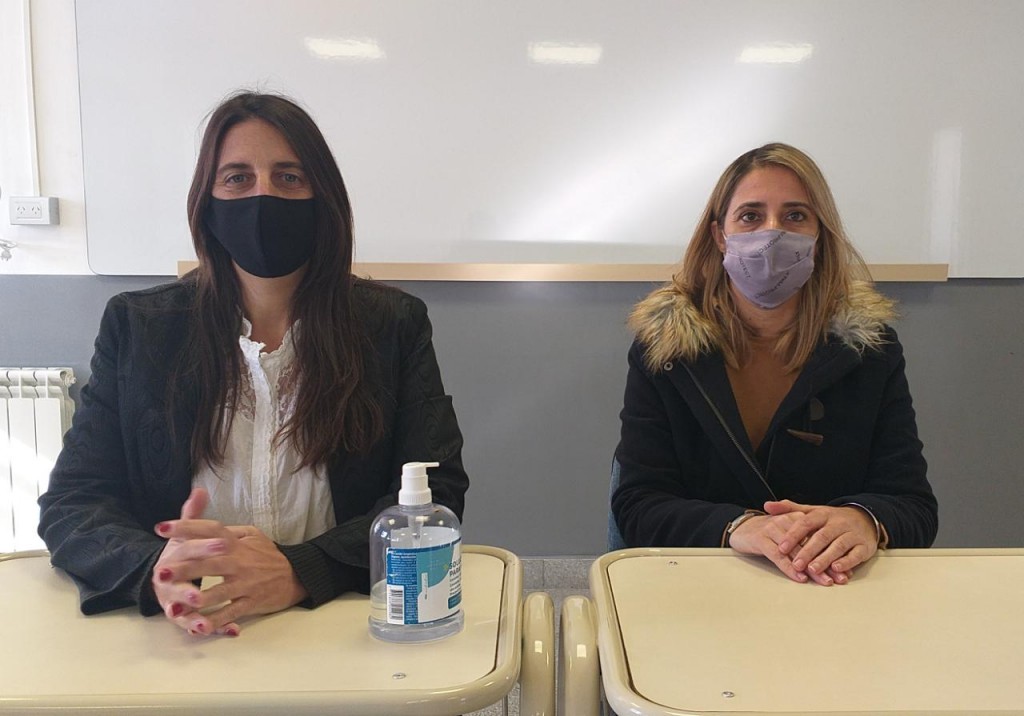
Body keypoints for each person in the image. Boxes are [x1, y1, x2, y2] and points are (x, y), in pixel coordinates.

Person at [38, 91, 468, 636]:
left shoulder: (392, 324)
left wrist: (300, 570)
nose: (263, 196)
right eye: (237, 178)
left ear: (323, 198)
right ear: (207, 202)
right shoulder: (139, 326)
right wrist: (157, 570)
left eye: (289, 177)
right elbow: (74, 502)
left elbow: (436, 490)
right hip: (186, 627)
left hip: (335, 617)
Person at [612, 143, 937, 586]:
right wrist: (737, 528)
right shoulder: (667, 351)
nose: (772, 234)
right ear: (719, 236)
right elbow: (639, 506)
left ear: (819, 235)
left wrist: (865, 520)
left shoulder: (869, 351)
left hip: (831, 590)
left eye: (795, 215)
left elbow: (914, 506)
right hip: (700, 586)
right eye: (750, 216)